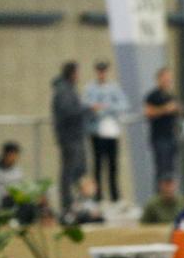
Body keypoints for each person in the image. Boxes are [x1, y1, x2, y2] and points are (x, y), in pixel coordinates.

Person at [83, 60, 129, 203]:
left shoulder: (113, 87)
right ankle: (98, 196)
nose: (102, 74)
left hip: (111, 130)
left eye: (104, 71)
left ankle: (115, 196)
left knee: (113, 165)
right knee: (97, 165)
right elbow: (85, 105)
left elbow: (124, 104)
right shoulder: (90, 88)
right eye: (99, 71)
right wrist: (94, 108)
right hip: (96, 130)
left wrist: (106, 108)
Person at [51, 61, 94, 215]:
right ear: (72, 73)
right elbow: (68, 111)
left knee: (76, 171)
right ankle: (68, 205)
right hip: (70, 137)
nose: (79, 76)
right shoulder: (64, 91)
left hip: (73, 136)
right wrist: (87, 109)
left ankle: (75, 203)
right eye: (77, 72)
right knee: (69, 173)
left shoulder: (67, 89)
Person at [144, 67, 182, 188]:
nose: (167, 80)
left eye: (169, 78)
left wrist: (177, 109)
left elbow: (180, 111)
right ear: (159, 79)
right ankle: (159, 196)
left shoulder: (171, 96)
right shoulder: (152, 96)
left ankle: (171, 194)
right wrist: (165, 109)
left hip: (171, 136)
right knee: (161, 170)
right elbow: (148, 112)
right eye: (165, 78)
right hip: (159, 137)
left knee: (171, 170)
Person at [0, 141, 25, 207]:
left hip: (17, 201)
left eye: (16, 155)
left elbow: (21, 187)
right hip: (2, 203)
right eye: (11, 155)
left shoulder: (18, 171)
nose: (14, 158)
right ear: (5, 155)